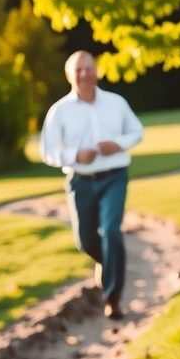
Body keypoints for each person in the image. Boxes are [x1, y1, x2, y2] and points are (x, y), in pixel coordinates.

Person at [38, 50, 145, 319]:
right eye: (78, 70)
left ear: (97, 72)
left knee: (111, 231)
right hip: (80, 181)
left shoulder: (116, 103)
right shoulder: (59, 111)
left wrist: (117, 145)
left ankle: (113, 299)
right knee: (85, 240)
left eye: (88, 69)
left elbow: (137, 131)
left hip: (114, 176)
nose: (84, 74)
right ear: (69, 76)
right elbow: (47, 151)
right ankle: (105, 262)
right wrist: (75, 156)